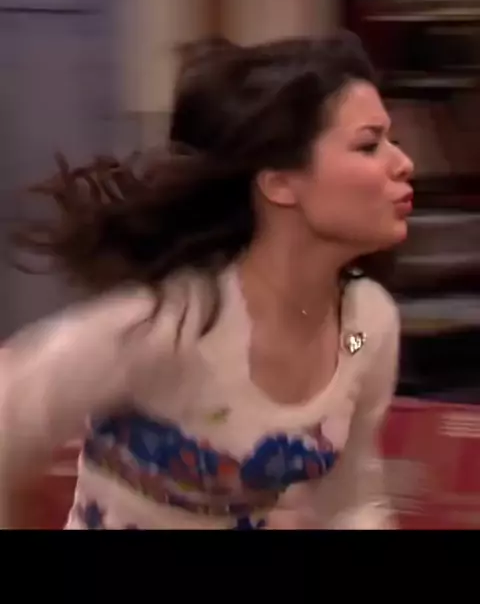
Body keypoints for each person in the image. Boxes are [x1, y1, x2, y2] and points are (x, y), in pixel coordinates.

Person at [0, 31, 414, 530]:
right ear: (279, 183)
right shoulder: (168, 322)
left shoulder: (364, 330)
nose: (403, 163)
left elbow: (351, 503)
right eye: (369, 145)